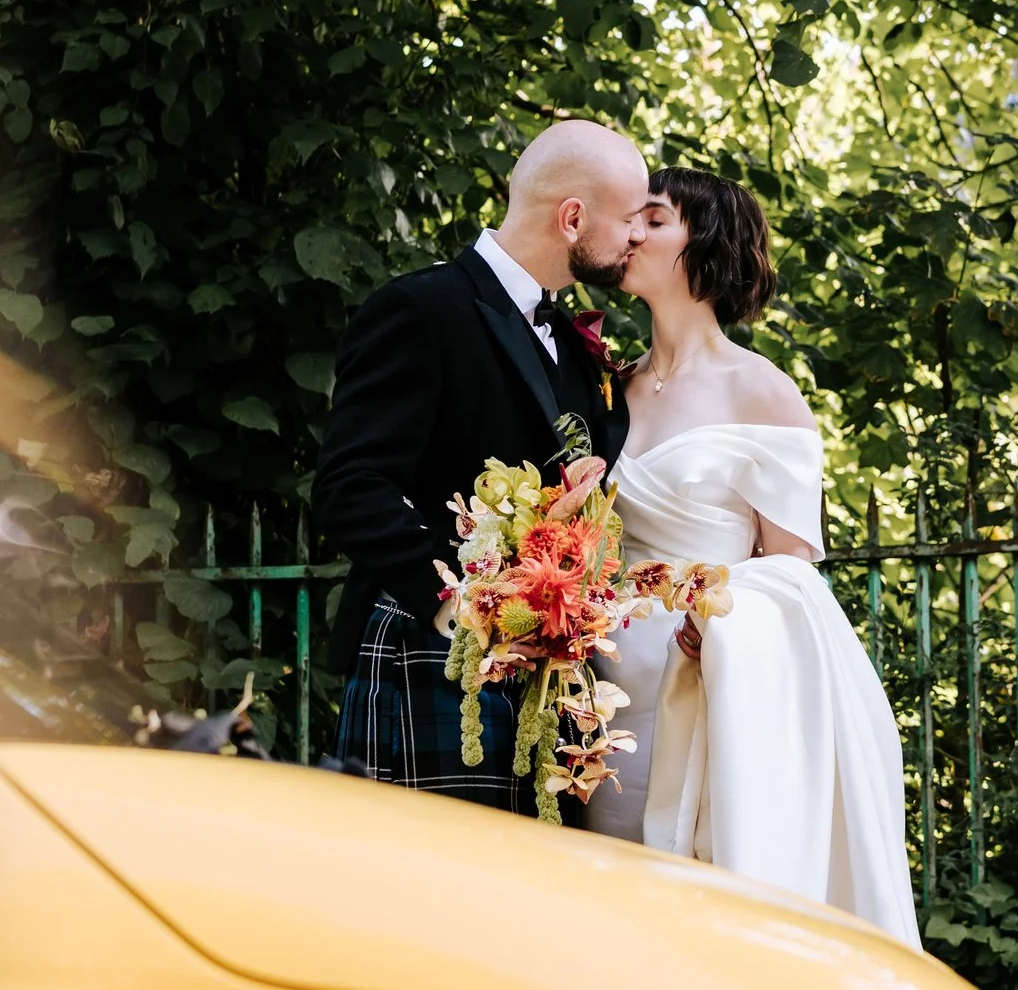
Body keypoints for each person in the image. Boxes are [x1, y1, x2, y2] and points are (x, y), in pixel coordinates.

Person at [579, 165, 921, 947]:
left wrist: (721, 626)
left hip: (705, 675)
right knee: (619, 900)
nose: (630, 232)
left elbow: (794, 576)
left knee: (705, 897)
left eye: (653, 219)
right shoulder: (609, 391)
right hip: (606, 686)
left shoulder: (764, 392)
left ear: (704, 242)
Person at [314, 119, 650, 813]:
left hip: (548, 682)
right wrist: (460, 606)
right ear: (573, 217)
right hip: (431, 658)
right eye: (626, 220)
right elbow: (351, 487)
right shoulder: (419, 310)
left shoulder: (572, 339)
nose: (635, 238)